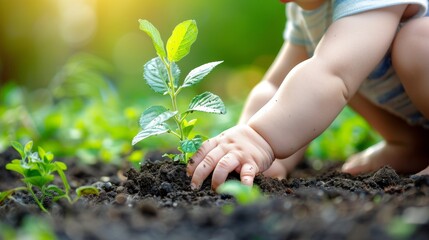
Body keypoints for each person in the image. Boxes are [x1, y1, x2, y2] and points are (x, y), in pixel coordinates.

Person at [187, 0, 429, 190]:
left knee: (416, 42)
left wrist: (260, 138)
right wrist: (254, 151)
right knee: (340, 61)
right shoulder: (309, 10)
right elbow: (275, 85)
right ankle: (412, 143)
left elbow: (332, 74)